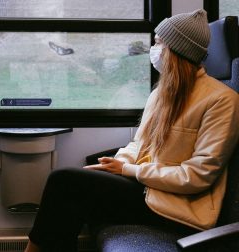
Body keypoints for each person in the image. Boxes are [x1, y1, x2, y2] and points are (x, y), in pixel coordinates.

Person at [25, 9, 239, 252]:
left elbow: (198, 176)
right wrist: (113, 167)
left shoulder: (222, 100)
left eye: (159, 43)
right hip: (150, 189)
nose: (154, 50)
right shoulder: (163, 92)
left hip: (178, 206)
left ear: (177, 50)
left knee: (64, 181)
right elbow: (139, 144)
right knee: (71, 188)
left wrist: (129, 170)